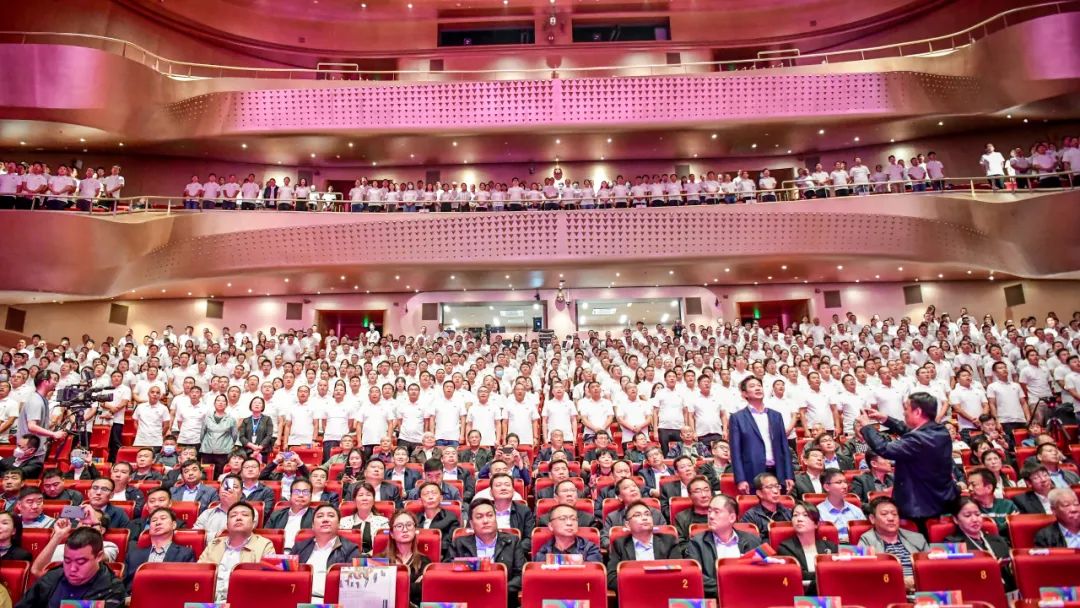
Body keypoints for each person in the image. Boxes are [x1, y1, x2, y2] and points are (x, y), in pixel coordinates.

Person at [855, 392, 958, 529]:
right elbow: (911, 431)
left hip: (921, 507)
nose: (903, 413)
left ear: (917, 412)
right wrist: (886, 419)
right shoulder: (939, 430)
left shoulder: (919, 439)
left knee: (922, 547)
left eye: (906, 409)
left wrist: (867, 427)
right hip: (937, 501)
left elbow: (884, 448)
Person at [15, 528, 126, 608]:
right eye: (67, 561)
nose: (72, 568)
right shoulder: (52, 577)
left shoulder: (113, 590)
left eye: (81, 562)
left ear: (99, 557)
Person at [449, 498, 527, 602]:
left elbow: (521, 575)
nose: (485, 521)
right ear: (471, 524)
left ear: (496, 519)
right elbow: (449, 573)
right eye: (479, 517)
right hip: (468, 599)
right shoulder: (459, 543)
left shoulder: (512, 541)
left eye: (490, 515)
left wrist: (499, 589)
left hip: (503, 599)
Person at [687, 494, 763, 598]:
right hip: (715, 599)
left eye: (716, 512)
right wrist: (729, 589)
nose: (711, 516)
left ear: (732, 517)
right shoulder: (697, 542)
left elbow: (762, 573)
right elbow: (695, 576)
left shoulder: (752, 540)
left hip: (749, 597)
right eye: (709, 511)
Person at [198, 502, 276, 601]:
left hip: (245, 602)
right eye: (233, 515)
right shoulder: (214, 544)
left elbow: (268, 582)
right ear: (227, 524)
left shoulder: (264, 545)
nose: (238, 518)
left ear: (253, 524)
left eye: (245, 515)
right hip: (209, 602)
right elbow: (199, 575)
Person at [729, 377, 794, 495]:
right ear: (744, 394)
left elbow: (784, 447)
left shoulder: (776, 416)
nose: (758, 388)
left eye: (759, 385)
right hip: (753, 473)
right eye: (752, 386)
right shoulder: (737, 418)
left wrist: (789, 475)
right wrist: (740, 479)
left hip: (777, 472)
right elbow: (736, 452)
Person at [289, 505, 360, 603]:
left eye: (331, 516)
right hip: (299, 601)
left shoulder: (351, 550)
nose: (325, 519)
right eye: (320, 516)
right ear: (313, 525)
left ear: (339, 524)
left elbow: (353, 590)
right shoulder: (299, 547)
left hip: (330, 603)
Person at [605, 498, 680, 590]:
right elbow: (611, 579)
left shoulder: (669, 541)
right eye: (637, 515)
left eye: (647, 514)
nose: (645, 518)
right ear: (627, 525)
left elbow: (678, 574)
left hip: (665, 592)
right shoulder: (619, 544)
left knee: (695, 604)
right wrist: (642, 585)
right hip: (634, 596)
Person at [857, 497, 929, 591]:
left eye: (894, 514)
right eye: (884, 514)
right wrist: (901, 582)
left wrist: (917, 581)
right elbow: (865, 574)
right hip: (887, 590)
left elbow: (931, 568)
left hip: (922, 589)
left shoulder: (917, 538)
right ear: (872, 518)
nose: (891, 518)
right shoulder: (867, 540)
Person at [32, 507, 120, 578]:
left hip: (88, 595)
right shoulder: (60, 547)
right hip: (58, 591)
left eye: (90, 522)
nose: (85, 525)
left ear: (101, 529)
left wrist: (96, 523)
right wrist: (58, 534)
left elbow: (101, 558)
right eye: (83, 521)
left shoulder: (109, 546)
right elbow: (36, 570)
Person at [122, 507, 196, 590]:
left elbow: (187, 585)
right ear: (149, 528)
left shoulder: (185, 554)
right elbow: (122, 585)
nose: (158, 523)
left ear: (174, 525)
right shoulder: (133, 555)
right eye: (154, 520)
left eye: (163, 518)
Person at [776, 502, 838, 594]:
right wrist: (825, 573)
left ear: (816, 524)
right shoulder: (785, 547)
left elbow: (838, 572)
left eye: (805, 515)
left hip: (831, 594)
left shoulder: (831, 547)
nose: (799, 519)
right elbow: (798, 574)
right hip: (802, 597)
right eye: (795, 515)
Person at [380, 511, 431, 607]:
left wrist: (391, 587)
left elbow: (424, 596)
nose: (405, 529)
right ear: (391, 533)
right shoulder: (379, 560)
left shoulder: (425, 562)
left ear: (415, 529)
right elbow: (376, 592)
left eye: (409, 525)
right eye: (399, 526)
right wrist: (414, 587)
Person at [533, 503, 602, 563]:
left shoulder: (590, 549)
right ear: (551, 526)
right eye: (563, 518)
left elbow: (592, 576)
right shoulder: (544, 553)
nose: (569, 523)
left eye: (573, 519)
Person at [945, 497, 1010, 559]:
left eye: (977, 514)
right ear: (956, 519)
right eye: (967, 516)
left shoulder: (998, 540)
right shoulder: (951, 545)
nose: (975, 519)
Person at [738, 472, 792, 543]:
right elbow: (749, 542)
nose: (776, 491)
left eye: (777, 486)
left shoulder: (787, 512)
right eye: (770, 487)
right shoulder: (750, 516)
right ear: (759, 493)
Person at [264, 477, 315, 551]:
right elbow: (266, 538)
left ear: (311, 496)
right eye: (297, 492)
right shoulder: (277, 515)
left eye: (305, 492)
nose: (301, 495)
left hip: (302, 555)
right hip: (277, 554)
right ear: (290, 495)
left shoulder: (316, 516)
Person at [816, 469, 866, 543]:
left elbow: (866, 535)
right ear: (827, 487)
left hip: (858, 549)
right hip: (832, 550)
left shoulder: (856, 510)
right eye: (839, 482)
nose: (845, 486)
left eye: (845, 482)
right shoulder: (818, 512)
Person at [339, 482, 389, 554]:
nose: (364, 498)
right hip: (349, 561)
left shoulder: (383, 522)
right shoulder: (343, 523)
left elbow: (385, 548)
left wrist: (366, 558)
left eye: (368, 495)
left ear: (373, 500)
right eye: (360, 495)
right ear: (354, 500)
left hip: (376, 561)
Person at [414, 482, 459, 556]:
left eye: (434, 493)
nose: (430, 497)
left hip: (441, 557)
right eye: (426, 494)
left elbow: (450, 545)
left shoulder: (450, 518)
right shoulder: (414, 519)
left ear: (441, 498)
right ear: (420, 500)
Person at [193, 475, 243, 541]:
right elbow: (195, 536)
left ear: (241, 493)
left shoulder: (249, 512)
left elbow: (239, 534)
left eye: (235, 487)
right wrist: (216, 535)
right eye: (226, 486)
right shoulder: (207, 513)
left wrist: (232, 503)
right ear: (219, 490)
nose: (229, 490)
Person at [673, 476, 713, 542]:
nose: (704, 495)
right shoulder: (682, 517)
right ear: (689, 495)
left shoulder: (722, 514)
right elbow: (680, 544)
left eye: (706, 490)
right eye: (698, 491)